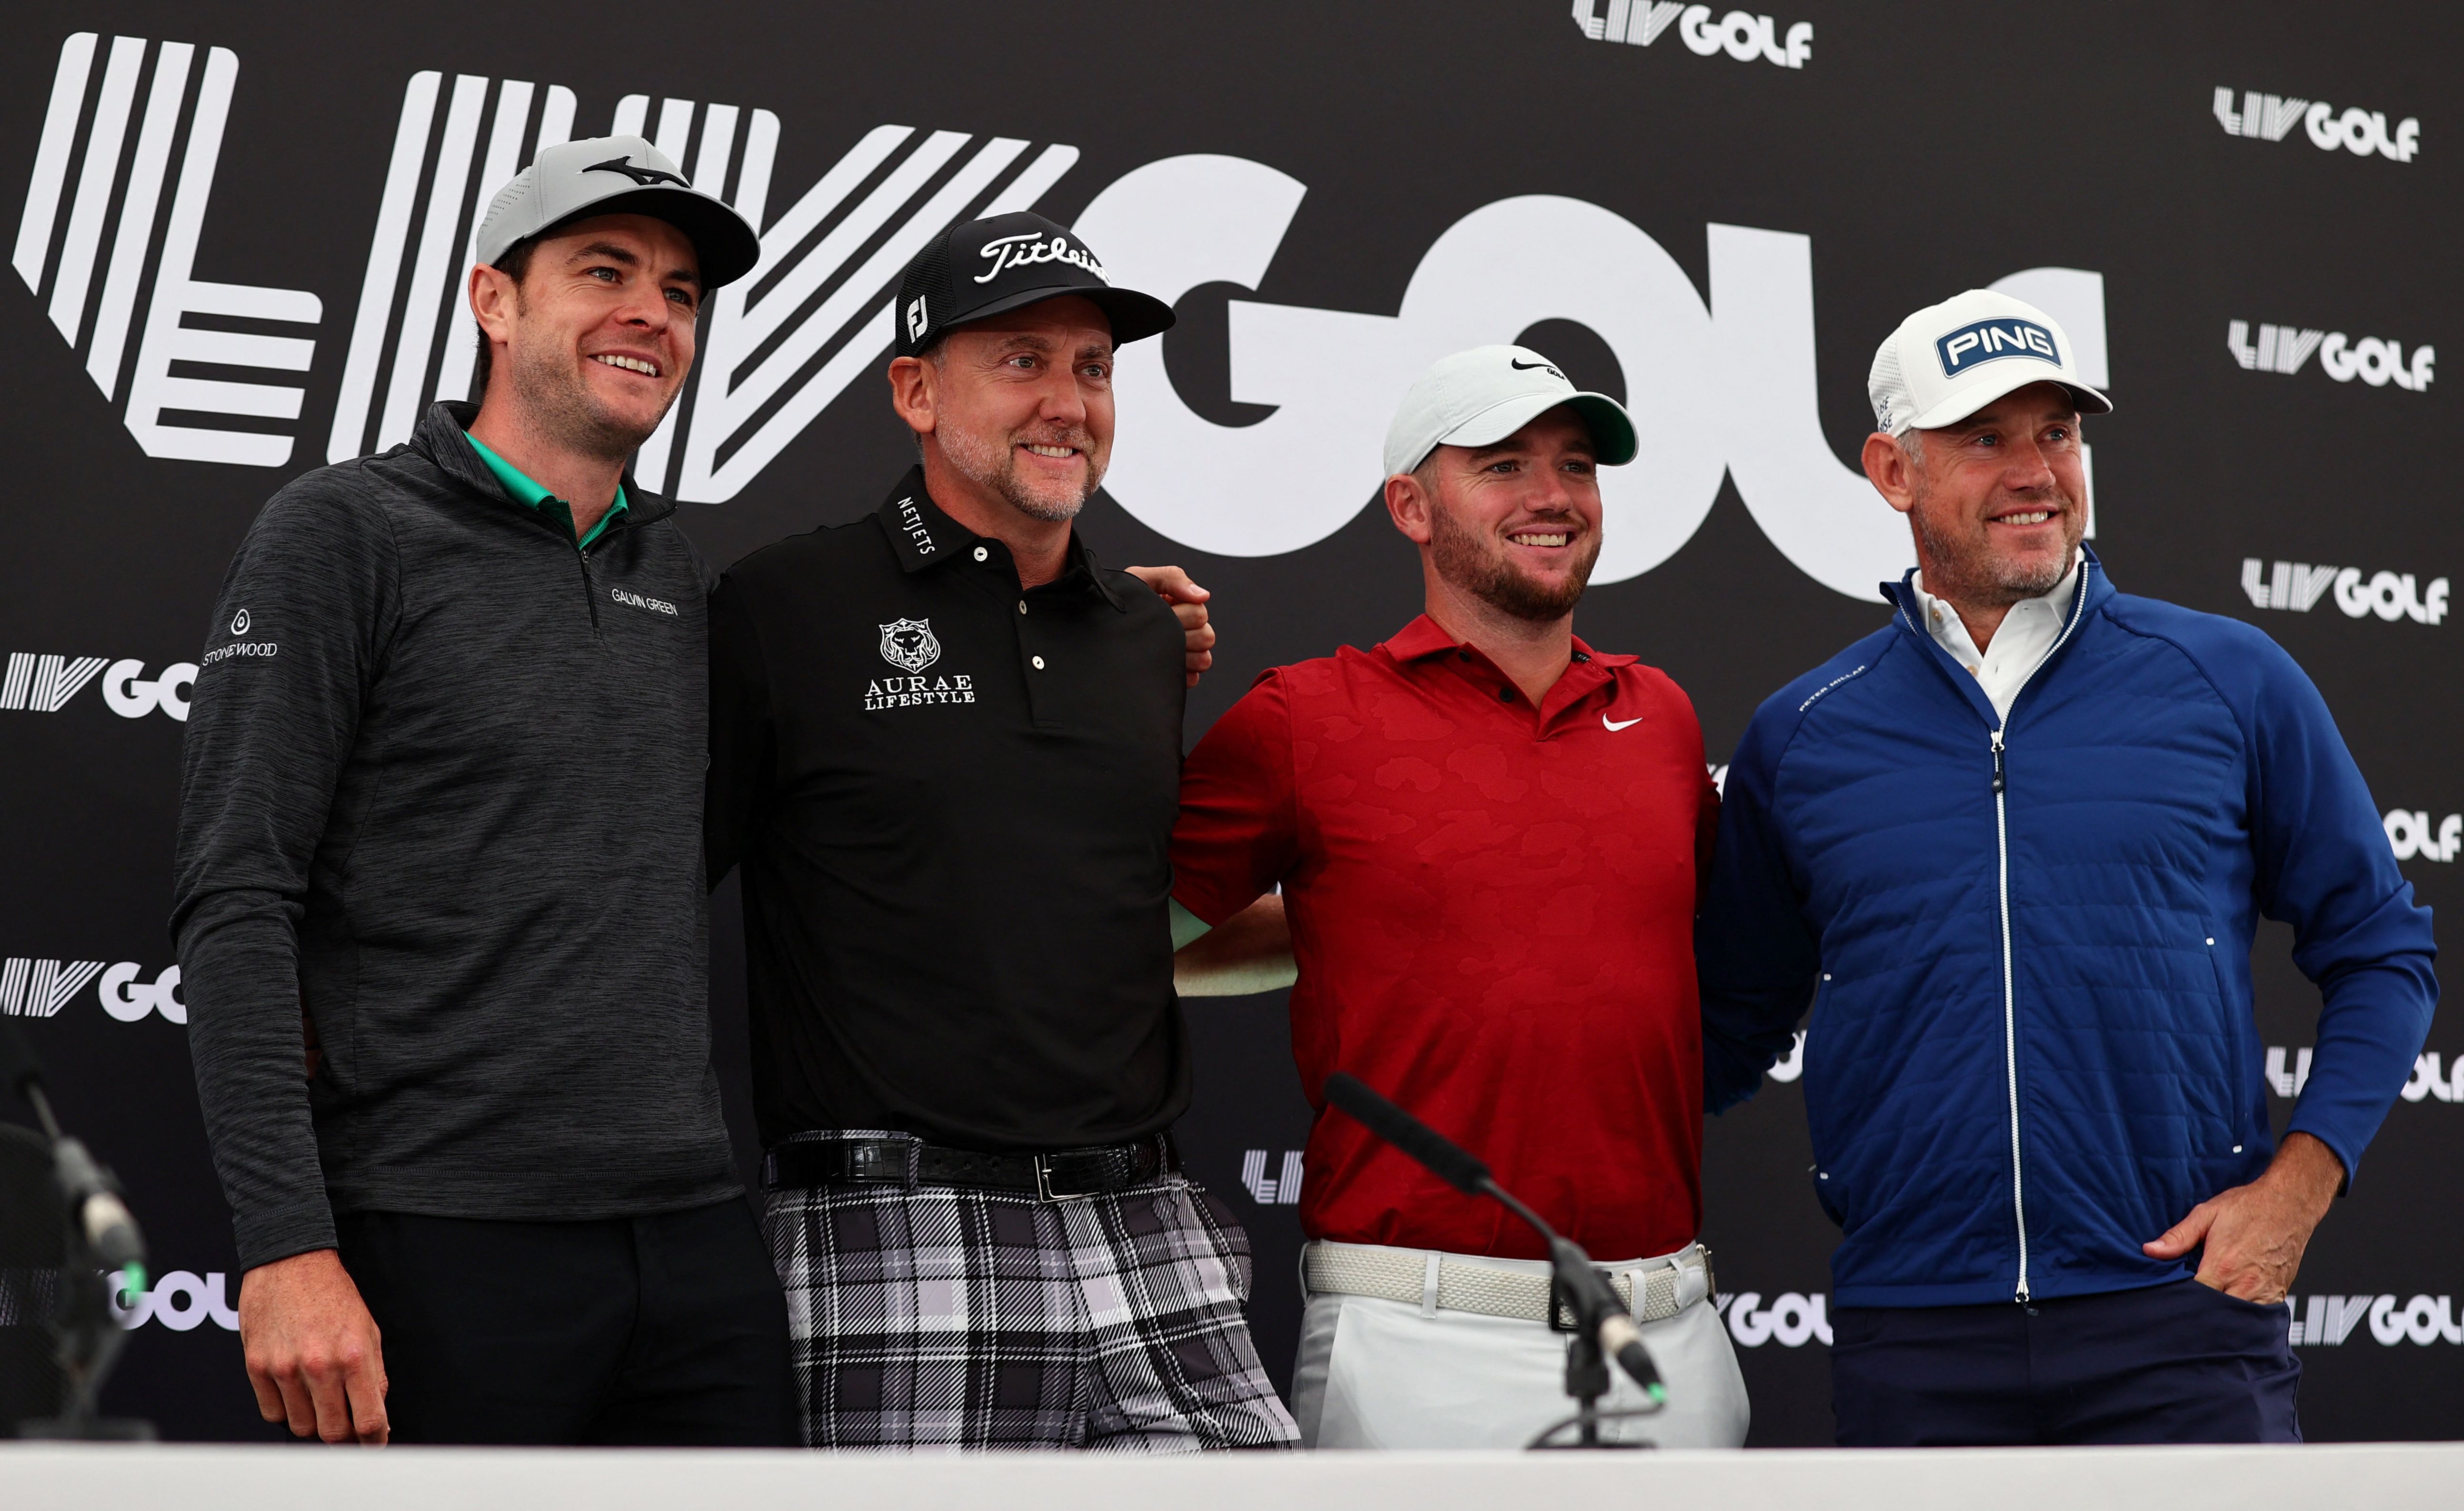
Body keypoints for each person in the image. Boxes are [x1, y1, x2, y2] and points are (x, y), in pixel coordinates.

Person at [1698, 289, 2437, 1445]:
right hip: (1916, 1335)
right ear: (1892, 473)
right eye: (1985, 438)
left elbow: (2383, 950)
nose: (2035, 470)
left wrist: (2299, 1187)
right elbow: (1726, 1024)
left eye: (2057, 432)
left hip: (2181, 1319)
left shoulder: (2229, 678)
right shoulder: (1804, 733)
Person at [173, 135, 791, 1446]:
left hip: (692, 1235)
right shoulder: (342, 533)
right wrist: (287, 1241)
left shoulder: (679, 576)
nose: (652, 312)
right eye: (604, 268)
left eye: (681, 290)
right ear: (493, 301)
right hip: (437, 1234)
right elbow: (238, 896)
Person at [703, 211, 1296, 1452]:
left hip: (1153, 1221)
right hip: (896, 1218)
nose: (1068, 401)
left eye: (1092, 366)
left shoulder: (1143, 632)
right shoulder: (783, 603)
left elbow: (1124, 908)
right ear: (915, 389)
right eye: (1022, 360)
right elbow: (647, 892)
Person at [1169, 346, 1749, 1449]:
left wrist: (1389, 922)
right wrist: (1346, 932)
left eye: (1576, 466)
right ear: (1411, 507)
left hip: (1669, 1327)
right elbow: (1128, 941)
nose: (1552, 497)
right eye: (1503, 465)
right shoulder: (1306, 717)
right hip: (1419, 1334)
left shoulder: (1663, 716)